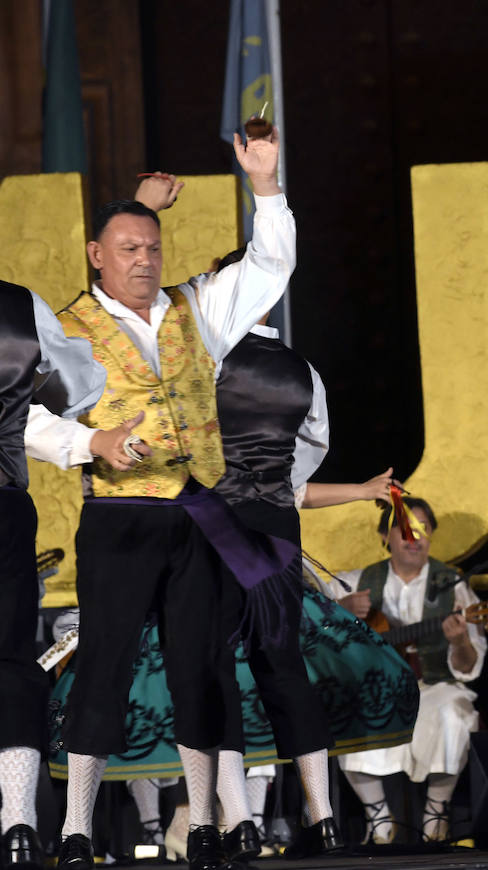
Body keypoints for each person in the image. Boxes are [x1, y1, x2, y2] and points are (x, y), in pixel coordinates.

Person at [24, 128, 293, 870]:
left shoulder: (196, 309)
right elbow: (20, 409)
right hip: (120, 518)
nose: (145, 262)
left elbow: (270, 266)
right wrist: (91, 444)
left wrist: (265, 185)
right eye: (130, 250)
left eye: (152, 249)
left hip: (200, 513)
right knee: (104, 663)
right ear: (98, 255)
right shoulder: (68, 327)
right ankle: (76, 828)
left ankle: (202, 821)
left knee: (202, 667)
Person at [0, 282, 104, 870]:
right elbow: (79, 384)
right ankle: (18, 824)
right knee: (11, 662)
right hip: (4, 501)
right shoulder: (19, 306)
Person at [331, 497, 486, 845]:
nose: (414, 538)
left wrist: (460, 642)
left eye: (423, 529)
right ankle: (380, 821)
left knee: (453, 712)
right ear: (386, 536)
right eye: (405, 530)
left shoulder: (455, 585)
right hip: (378, 689)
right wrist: (340, 610)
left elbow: (469, 666)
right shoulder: (357, 582)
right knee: (347, 711)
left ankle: (436, 814)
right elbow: (308, 621)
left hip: (434, 685)